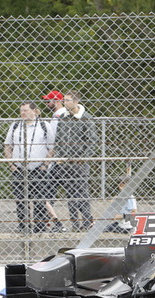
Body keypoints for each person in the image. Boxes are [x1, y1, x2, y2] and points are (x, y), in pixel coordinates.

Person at [4, 101, 54, 233]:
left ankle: (39, 227)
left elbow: (51, 147)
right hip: (19, 168)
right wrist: (12, 164)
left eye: (26, 110)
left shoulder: (44, 126)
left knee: (39, 199)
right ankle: (23, 226)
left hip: (38, 168)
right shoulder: (15, 126)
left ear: (34, 111)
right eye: (21, 110)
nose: (23, 113)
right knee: (21, 200)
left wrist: (44, 165)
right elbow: (8, 146)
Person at [56, 90, 97, 230]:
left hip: (80, 164)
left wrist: (82, 158)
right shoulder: (62, 117)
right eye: (64, 100)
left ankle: (86, 222)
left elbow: (92, 141)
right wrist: (60, 157)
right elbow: (58, 140)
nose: (64, 102)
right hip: (65, 163)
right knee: (71, 194)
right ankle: (75, 223)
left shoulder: (85, 118)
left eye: (67, 100)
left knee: (82, 193)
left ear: (75, 101)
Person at [41, 90, 68, 232]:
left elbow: (53, 140)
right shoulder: (58, 115)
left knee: (46, 192)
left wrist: (47, 160)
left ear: (57, 101)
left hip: (55, 160)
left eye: (49, 101)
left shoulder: (58, 116)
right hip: (58, 159)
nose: (47, 103)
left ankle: (52, 222)